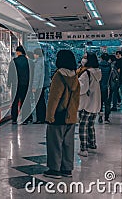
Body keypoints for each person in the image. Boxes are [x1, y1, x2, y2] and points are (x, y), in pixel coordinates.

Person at [43, 50, 80, 179]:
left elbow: (54, 98)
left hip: (58, 114)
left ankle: (54, 169)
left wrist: (49, 116)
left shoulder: (59, 76)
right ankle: (67, 169)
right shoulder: (75, 76)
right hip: (71, 115)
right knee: (68, 143)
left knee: (55, 143)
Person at [77, 52, 102, 157]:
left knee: (83, 125)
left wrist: (77, 81)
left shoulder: (86, 73)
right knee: (91, 125)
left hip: (86, 103)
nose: (83, 59)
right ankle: (92, 145)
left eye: (85, 57)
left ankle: (83, 148)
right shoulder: (97, 72)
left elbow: (82, 89)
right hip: (95, 103)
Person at [7, 45, 31, 124]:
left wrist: (9, 83)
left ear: (18, 52)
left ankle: (14, 118)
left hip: (16, 84)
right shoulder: (29, 62)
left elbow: (10, 73)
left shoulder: (14, 61)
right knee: (25, 101)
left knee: (15, 101)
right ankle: (25, 119)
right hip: (26, 84)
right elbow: (32, 74)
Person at [32, 48, 50, 124]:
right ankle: (43, 117)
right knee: (42, 101)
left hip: (39, 85)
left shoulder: (38, 63)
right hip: (44, 84)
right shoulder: (45, 62)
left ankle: (40, 118)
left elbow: (37, 75)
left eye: (34, 54)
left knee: (38, 102)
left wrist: (34, 86)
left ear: (37, 54)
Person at [99, 53, 111, 124]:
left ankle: (100, 117)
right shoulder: (110, 67)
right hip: (107, 87)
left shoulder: (98, 66)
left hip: (99, 87)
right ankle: (106, 118)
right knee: (107, 103)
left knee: (100, 103)